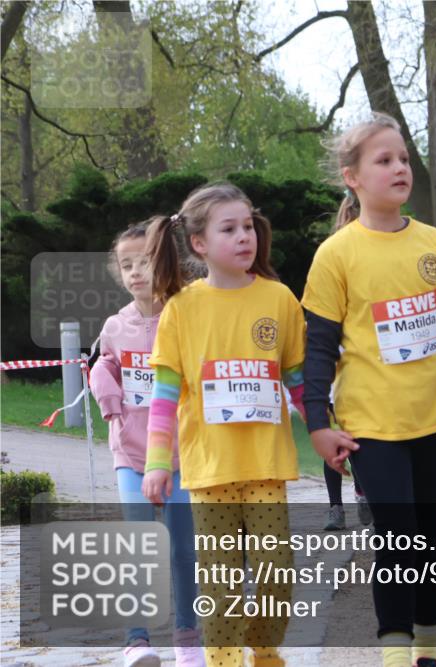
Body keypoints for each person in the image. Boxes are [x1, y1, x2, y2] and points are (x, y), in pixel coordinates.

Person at [300, 112, 436, 667]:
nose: (399, 168)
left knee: (425, 536)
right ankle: (394, 656)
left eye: (402, 158)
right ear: (352, 176)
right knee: (397, 537)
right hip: (371, 426)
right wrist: (318, 424)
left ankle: (427, 651)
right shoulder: (336, 255)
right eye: (384, 160)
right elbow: (318, 349)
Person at [141, 183, 306, 667]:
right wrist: (156, 464)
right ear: (198, 243)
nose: (243, 237)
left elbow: (297, 382)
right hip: (209, 474)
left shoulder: (279, 300)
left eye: (248, 226)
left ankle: (263, 648)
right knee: (220, 583)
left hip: (266, 467)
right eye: (228, 229)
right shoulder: (181, 310)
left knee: (277, 572)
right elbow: (164, 399)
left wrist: (325, 429)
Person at [90, 221, 204, 667]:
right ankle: (137, 640)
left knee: (181, 549)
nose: (136, 272)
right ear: (119, 273)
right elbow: (103, 364)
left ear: (165, 262)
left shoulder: (185, 315)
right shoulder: (115, 325)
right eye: (127, 265)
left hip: (182, 456)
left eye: (145, 261)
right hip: (131, 455)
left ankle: (187, 637)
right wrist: (106, 389)